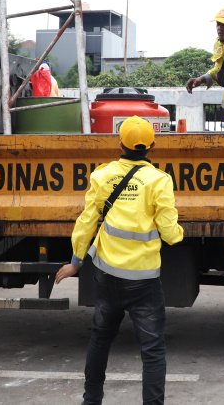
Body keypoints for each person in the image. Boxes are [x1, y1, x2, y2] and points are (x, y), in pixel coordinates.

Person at [55, 116, 184, 405]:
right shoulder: (159, 181)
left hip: (106, 278)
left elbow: (87, 221)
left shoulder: (102, 175)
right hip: (144, 282)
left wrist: (76, 261)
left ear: (120, 143)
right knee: (151, 350)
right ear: (152, 145)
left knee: (101, 338)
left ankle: (91, 401)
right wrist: (177, 232)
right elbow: (171, 235)